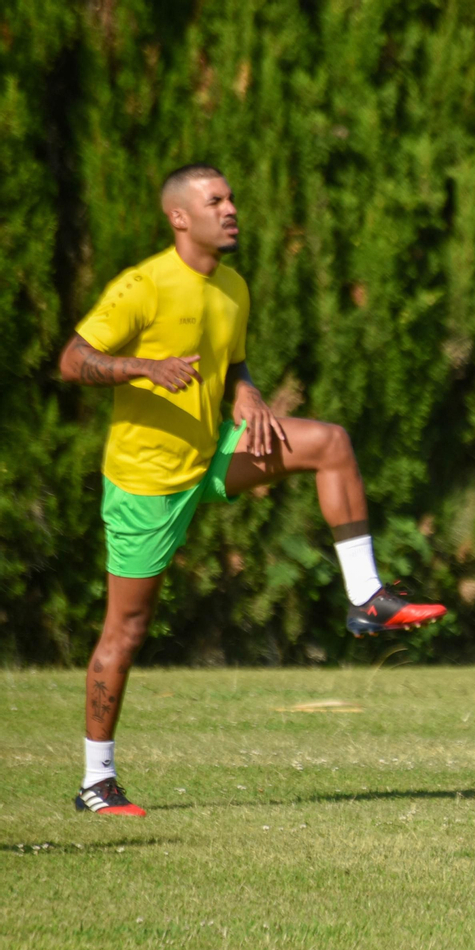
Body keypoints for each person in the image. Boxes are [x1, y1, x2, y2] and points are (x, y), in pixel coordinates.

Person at [60, 163, 447, 817]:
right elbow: (73, 360)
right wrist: (142, 367)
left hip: (212, 453)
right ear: (180, 217)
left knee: (330, 443)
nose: (232, 208)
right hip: (147, 484)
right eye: (216, 201)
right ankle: (97, 781)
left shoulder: (232, 286)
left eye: (232, 197)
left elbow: (231, 361)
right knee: (125, 631)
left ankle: (366, 596)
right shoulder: (143, 285)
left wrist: (247, 392)